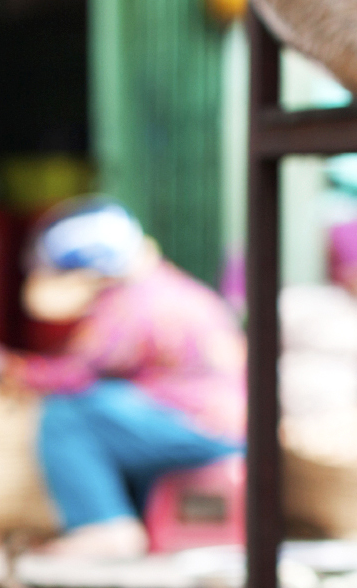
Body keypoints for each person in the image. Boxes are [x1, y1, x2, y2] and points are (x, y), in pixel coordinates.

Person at [17, 198, 244, 559]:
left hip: (203, 429)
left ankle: (102, 526)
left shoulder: (131, 303)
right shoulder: (175, 288)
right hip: (225, 428)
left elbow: (76, 375)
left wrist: (2, 369)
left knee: (68, 413)